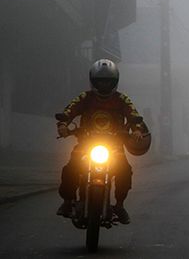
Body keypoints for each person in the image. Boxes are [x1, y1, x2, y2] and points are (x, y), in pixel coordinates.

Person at [56, 59, 149, 224]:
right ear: (93, 81)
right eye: (100, 81)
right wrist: (64, 124)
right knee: (70, 168)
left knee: (125, 171)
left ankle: (119, 205)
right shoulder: (85, 97)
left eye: (108, 81)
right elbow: (70, 110)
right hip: (85, 144)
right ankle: (68, 201)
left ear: (115, 82)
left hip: (114, 147)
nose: (104, 85)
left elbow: (134, 116)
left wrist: (136, 130)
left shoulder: (122, 100)